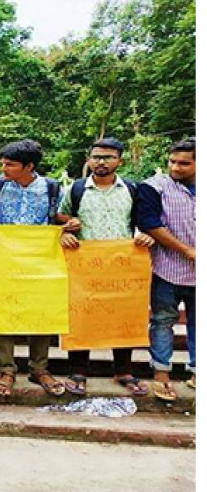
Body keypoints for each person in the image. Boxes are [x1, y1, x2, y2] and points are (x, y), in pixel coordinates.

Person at [57, 138, 154, 397]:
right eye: (96, 157)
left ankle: (123, 371)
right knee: (81, 315)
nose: (101, 162)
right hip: (84, 264)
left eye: (108, 157)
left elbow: (143, 223)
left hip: (122, 265)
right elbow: (61, 216)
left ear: (120, 161)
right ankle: (78, 372)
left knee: (123, 316)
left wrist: (144, 236)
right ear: (88, 160)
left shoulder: (132, 190)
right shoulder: (76, 190)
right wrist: (66, 229)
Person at [0, 139, 66, 398]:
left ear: (29, 166)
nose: (3, 168)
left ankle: (39, 368)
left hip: (40, 260)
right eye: (3, 163)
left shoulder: (52, 188)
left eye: (10, 164)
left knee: (41, 312)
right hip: (1, 260)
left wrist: (69, 225)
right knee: (2, 310)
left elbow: (62, 216)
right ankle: (6, 368)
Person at [137, 138, 196, 401]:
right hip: (167, 269)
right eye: (173, 161)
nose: (176, 167)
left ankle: (197, 372)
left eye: (184, 163)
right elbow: (149, 222)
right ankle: (161, 374)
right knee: (162, 321)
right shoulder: (154, 187)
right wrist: (187, 250)